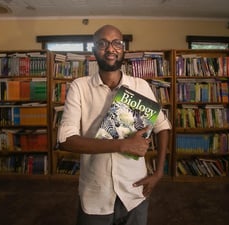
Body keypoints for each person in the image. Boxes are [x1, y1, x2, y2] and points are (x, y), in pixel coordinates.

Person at [58, 24, 171, 225]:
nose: (110, 49)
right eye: (102, 43)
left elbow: (163, 125)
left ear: (123, 48)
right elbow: (66, 141)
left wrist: (159, 172)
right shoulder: (80, 87)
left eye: (116, 43)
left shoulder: (140, 86)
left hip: (135, 192)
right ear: (93, 49)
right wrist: (122, 144)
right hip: (95, 194)